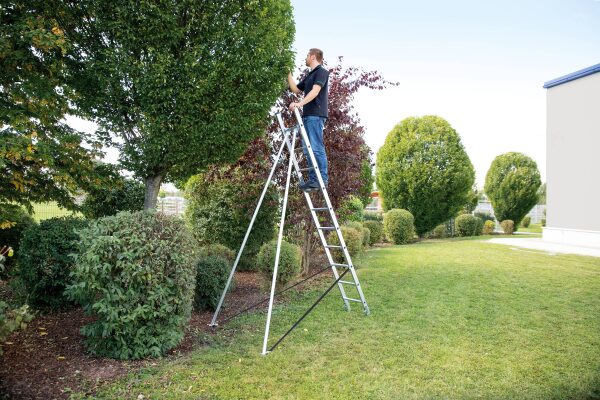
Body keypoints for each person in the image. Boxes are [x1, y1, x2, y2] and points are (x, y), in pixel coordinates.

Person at [287, 48, 330, 192]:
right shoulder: (309, 75)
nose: (305, 58)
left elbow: (315, 91)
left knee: (316, 147)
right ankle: (313, 180)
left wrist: (299, 104)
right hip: (307, 116)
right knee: (307, 149)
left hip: (316, 115)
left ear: (312, 56)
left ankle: (322, 179)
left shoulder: (321, 72)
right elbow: (295, 89)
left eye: (307, 55)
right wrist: (288, 73)